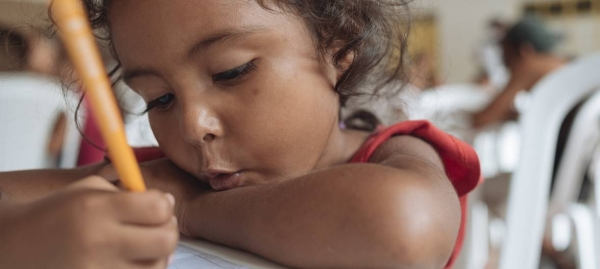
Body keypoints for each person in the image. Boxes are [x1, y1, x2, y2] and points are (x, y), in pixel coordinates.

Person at [0, 1, 481, 268]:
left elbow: (405, 226)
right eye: (158, 99)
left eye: (231, 72)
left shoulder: (394, 154)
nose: (192, 126)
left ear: (336, 48)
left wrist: (189, 210)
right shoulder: (166, 176)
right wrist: (24, 237)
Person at [471, 16, 566, 128]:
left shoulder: (530, 64)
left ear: (524, 50)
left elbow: (483, 119)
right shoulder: (559, 63)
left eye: (505, 50)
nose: (502, 57)